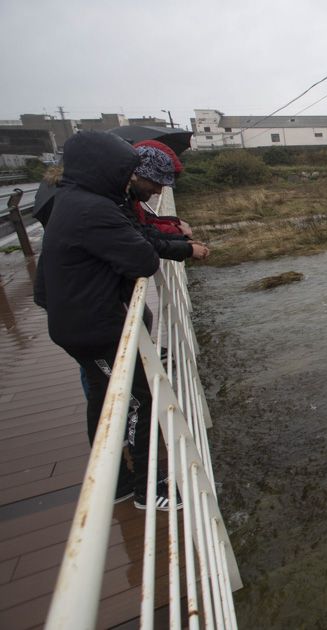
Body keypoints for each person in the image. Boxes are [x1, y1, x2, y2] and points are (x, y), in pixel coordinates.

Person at [33, 131, 178, 510]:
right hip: (96, 329)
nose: (128, 179)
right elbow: (143, 259)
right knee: (137, 402)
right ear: (106, 169)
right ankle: (150, 488)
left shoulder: (70, 200)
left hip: (79, 322)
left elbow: (43, 285)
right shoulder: (92, 210)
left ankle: (116, 480)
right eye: (124, 170)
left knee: (102, 398)